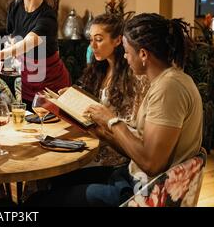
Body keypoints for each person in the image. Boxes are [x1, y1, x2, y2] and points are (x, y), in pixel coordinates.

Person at [25, 13, 203, 207]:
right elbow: (139, 148)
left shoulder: (169, 89)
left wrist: (112, 121)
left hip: (141, 191)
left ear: (143, 54)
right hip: (131, 176)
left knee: (38, 201)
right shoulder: (167, 82)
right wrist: (103, 133)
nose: (125, 57)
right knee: (54, 180)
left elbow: (152, 164)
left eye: (127, 51)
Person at [59, 13, 149, 167]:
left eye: (99, 39)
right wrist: (74, 97)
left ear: (118, 40)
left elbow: (132, 128)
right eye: (91, 39)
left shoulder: (133, 76)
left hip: (114, 154)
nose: (92, 45)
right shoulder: (100, 69)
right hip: (94, 141)